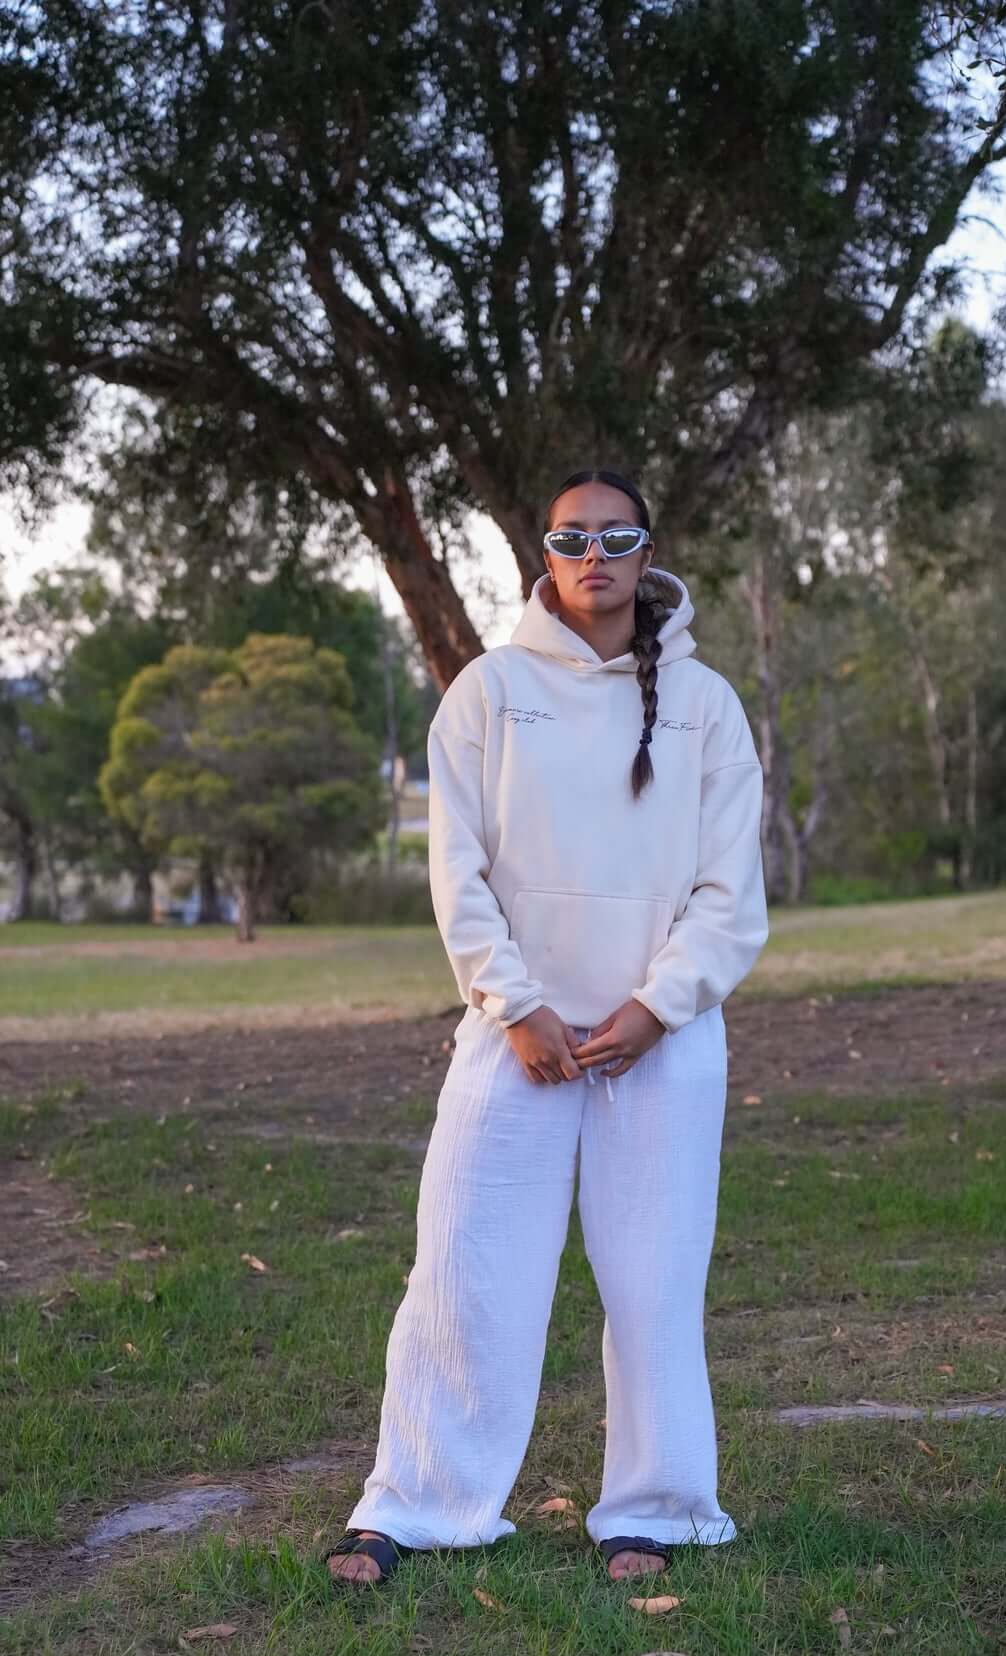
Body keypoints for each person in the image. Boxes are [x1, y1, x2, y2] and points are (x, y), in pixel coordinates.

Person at [327, 467, 769, 1592]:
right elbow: (457, 867)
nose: (594, 554)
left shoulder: (707, 703)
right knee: (468, 1272)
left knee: (654, 1283)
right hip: (513, 1038)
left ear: (645, 550)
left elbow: (730, 892)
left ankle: (656, 1506)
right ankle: (420, 1503)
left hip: (659, 1046)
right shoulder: (487, 690)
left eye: (616, 535)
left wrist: (656, 1008)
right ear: (546, 551)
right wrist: (513, 1002)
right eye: (572, 536)